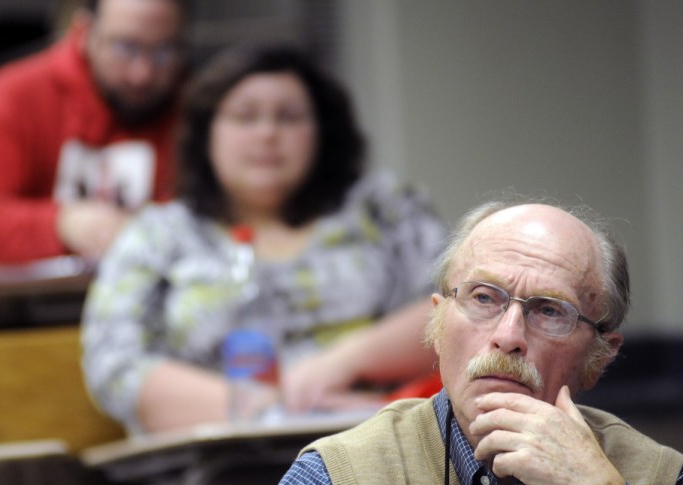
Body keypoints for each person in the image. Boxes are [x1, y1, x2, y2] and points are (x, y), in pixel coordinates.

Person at [80, 45, 448, 435]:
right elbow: (114, 366)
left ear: (321, 131)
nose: (267, 133)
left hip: (380, 443)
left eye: (288, 117)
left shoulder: (383, 208)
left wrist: (343, 362)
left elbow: (465, 308)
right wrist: (277, 407)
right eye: (245, 116)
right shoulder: (157, 233)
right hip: (216, 469)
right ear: (207, 133)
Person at [269, 198, 683, 485]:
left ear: (599, 357)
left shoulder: (660, 481)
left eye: (549, 310)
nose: (508, 337)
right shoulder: (336, 483)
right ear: (437, 324)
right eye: (484, 298)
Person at [0, 0, 190, 264]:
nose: (142, 73)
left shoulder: (192, 105)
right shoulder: (19, 94)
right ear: (84, 32)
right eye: (125, 48)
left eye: (164, 51)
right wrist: (62, 224)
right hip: (38, 298)